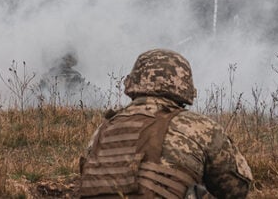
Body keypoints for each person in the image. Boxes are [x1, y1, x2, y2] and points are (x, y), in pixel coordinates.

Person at [79, 49, 253, 198]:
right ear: (184, 86)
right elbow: (236, 189)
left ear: (134, 81)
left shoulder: (104, 129)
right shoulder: (201, 127)